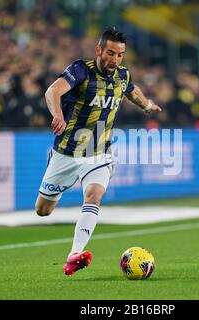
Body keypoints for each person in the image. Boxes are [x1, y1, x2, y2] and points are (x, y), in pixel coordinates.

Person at [35, 27, 162, 276]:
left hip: (98, 153)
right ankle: (56, 181)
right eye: (111, 53)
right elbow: (53, 91)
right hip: (66, 152)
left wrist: (146, 104)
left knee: (93, 195)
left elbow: (132, 92)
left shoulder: (123, 76)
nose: (115, 59)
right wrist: (58, 115)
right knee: (43, 210)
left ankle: (74, 254)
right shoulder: (81, 70)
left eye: (120, 55)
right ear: (99, 50)